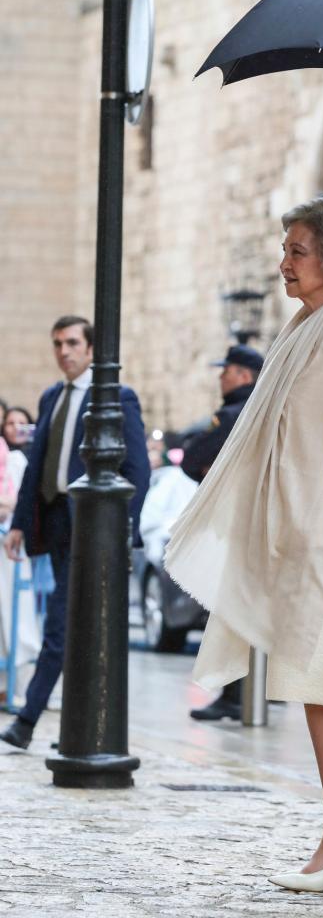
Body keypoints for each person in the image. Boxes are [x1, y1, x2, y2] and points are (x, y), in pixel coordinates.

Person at [165, 196, 323, 893]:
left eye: (298, 250)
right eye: (288, 249)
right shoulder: (310, 327)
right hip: (307, 537)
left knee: (322, 690)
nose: (284, 262)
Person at [1, 315, 150, 751]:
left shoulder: (117, 397)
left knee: (62, 625)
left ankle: (27, 721)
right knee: (74, 626)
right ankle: (80, 728)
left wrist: (123, 528)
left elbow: (138, 469)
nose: (63, 352)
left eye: (71, 343)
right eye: (57, 344)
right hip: (57, 523)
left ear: (90, 349)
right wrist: (19, 525)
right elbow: (36, 466)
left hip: (95, 525)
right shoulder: (52, 396)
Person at [181, 343, 264, 722]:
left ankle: (236, 696)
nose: (221, 377)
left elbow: (193, 456)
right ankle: (259, 691)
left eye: (226, 370)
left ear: (244, 376)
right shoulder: (265, 408)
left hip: (237, 523)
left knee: (232, 610)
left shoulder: (233, 414)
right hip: (260, 522)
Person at [0, 437, 41, 706]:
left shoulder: (12, 458)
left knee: (11, 616)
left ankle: (9, 685)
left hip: (7, 546)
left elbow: (16, 500)